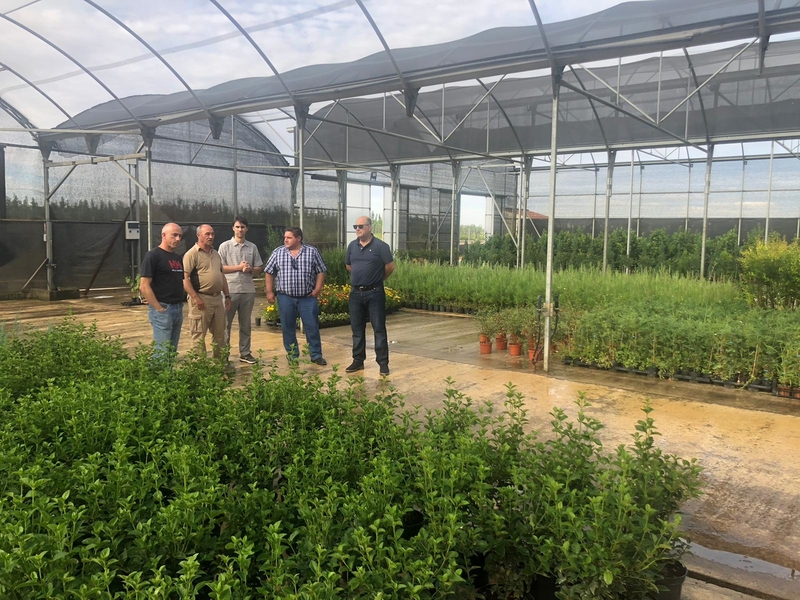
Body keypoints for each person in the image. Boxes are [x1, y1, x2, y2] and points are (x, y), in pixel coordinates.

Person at [264, 227, 327, 365]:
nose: (285, 239)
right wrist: (269, 292)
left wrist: (317, 289)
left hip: (307, 298)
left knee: (312, 326)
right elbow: (269, 272)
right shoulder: (278, 253)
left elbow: (321, 271)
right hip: (285, 297)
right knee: (288, 327)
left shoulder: (312, 252)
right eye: (285, 237)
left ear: (298, 238)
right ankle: (292, 355)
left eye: (289, 237)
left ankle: (316, 355)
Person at [345, 216, 395, 376]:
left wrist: (377, 279)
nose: (357, 229)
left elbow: (390, 266)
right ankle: (358, 361)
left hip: (375, 293)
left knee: (379, 328)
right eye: (355, 226)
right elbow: (348, 266)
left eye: (360, 226)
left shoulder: (381, 246)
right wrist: (360, 278)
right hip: (355, 294)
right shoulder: (352, 246)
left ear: (369, 227)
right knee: (357, 329)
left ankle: (383, 363)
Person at [219, 216, 263, 364]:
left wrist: (251, 269)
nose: (240, 230)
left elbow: (259, 268)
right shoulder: (225, 246)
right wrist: (238, 267)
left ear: (247, 229)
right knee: (226, 324)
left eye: (243, 227)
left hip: (248, 290)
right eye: (237, 227)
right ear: (233, 228)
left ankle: (245, 352)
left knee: (245, 324)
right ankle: (223, 354)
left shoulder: (252, 247)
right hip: (230, 290)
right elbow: (220, 268)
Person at [183, 224, 232, 359]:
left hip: (217, 299)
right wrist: (195, 298)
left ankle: (220, 365)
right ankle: (201, 369)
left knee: (220, 335)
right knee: (199, 336)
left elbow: (221, 276)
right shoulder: (191, 254)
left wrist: (227, 296)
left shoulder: (215, 254)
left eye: (212, 234)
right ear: (198, 235)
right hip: (201, 300)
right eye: (207, 234)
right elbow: (185, 279)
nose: (211, 237)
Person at [139, 222, 186, 362]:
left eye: (180, 236)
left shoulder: (177, 258)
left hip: (177, 309)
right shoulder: (153, 256)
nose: (177, 239)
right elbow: (144, 286)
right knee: (162, 353)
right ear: (163, 235)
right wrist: (159, 308)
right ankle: (157, 381)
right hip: (163, 310)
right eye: (174, 235)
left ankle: (168, 381)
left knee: (171, 351)